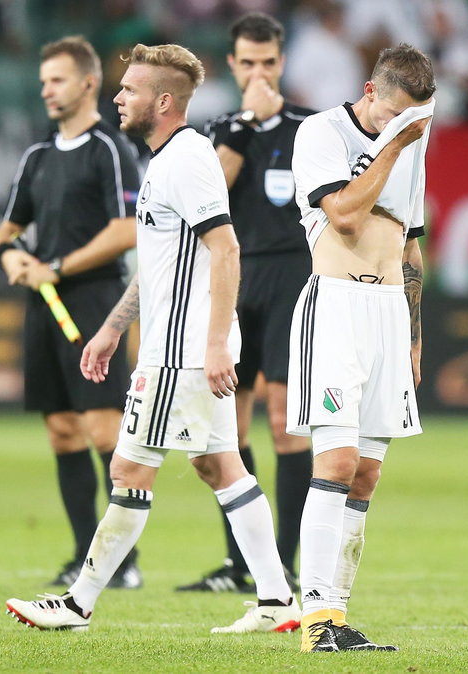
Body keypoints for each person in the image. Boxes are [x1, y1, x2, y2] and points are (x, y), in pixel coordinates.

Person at [5, 42, 300, 635]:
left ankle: (79, 602)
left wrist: (216, 344)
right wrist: (114, 327)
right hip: (181, 348)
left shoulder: (187, 159)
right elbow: (163, 261)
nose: (118, 96)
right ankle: (276, 599)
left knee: (129, 470)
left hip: (181, 354)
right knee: (223, 469)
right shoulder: (165, 160)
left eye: (131, 89)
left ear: (164, 101)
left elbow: (226, 248)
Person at [288, 43, 433, 653]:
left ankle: (338, 616)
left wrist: (414, 337)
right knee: (337, 463)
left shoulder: (414, 143)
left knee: (368, 474)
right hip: (337, 307)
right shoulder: (319, 133)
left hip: (387, 317)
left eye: (414, 119)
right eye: (393, 114)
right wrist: (395, 142)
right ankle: (314, 619)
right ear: (371, 92)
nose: (404, 127)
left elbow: (409, 246)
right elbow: (344, 216)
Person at [0, 36, 143, 591]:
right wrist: (13, 256)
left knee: (104, 429)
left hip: (96, 299)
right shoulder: (37, 155)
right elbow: (5, 232)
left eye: (56, 80)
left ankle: (122, 562)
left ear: (87, 83)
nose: (46, 91)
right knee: (61, 431)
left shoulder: (110, 148)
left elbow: (126, 230)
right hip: (44, 302)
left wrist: (56, 265)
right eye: (42, 82)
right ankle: (84, 556)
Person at [176, 12, 314, 595]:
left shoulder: (312, 129)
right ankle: (241, 566)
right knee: (229, 427)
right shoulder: (215, 134)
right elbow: (215, 191)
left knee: (284, 422)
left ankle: (282, 563)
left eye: (268, 62)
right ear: (231, 66)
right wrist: (244, 126)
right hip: (234, 278)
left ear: (281, 63)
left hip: (292, 278)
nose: (258, 72)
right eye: (247, 63)